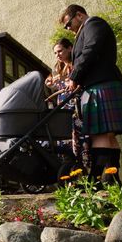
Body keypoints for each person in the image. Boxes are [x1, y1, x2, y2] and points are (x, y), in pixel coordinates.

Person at [60, 4, 122, 182]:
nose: (69, 29)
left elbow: (91, 50)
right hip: (101, 84)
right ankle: (111, 180)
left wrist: (74, 76)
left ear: (80, 15)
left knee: (100, 135)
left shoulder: (93, 24)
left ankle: (99, 179)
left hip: (101, 86)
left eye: (69, 24)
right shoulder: (87, 28)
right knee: (107, 136)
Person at [45, 38, 91, 170]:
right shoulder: (59, 69)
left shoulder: (77, 65)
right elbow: (52, 86)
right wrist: (49, 83)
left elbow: (78, 85)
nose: (57, 55)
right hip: (63, 110)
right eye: (55, 53)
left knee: (81, 140)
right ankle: (70, 173)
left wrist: (64, 82)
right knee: (66, 141)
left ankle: (84, 172)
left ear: (70, 48)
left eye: (59, 51)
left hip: (77, 108)